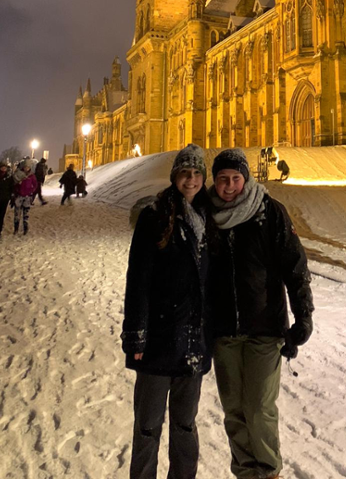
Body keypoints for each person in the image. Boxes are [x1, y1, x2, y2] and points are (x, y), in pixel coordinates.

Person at [210, 148, 313, 479]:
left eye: (235, 179)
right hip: (223, 329)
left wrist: (303, 315)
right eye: (223, 179)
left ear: (246, 178)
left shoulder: (270, 211)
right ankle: (245, 472)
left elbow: (294, 266)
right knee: (234, 411)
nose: (229, 186)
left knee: (259, 410)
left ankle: (269, 472)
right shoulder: (205, 213)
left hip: (265, 327)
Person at [121, 144, 213, 479]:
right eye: (185, 173)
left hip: (193, 342)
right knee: (148, 427)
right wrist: (136, 334)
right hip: (159, 341)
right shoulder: (155, 215)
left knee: (185, 427)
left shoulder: (210, 218)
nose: (191, 179)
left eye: (196, 173)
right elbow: (138, 279)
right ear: (174, 176)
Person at [12, 160, 38, 236]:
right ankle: (16, 229)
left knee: (26, 214)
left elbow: (35, 185)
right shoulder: (19, 174)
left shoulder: (32, 176)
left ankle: (25, 229)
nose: (26, 168)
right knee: (17, 214)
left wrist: (31, 191)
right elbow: (14, 184)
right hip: (19, 196)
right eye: (25, 167)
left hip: (27, 197)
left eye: (28, 167)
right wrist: (16, 190)